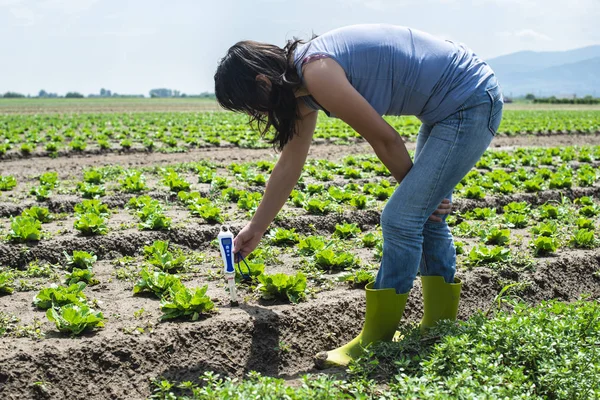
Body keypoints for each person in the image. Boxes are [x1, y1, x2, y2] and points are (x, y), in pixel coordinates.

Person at [214, 23, 503, 369]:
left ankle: (376, 339)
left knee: (401, 218)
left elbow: (386, 140)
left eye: (251, 107)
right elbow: (290, 161)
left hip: (469, 101)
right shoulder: (303, 88)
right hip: (449, 106)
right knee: (421, 214)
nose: (256, 115)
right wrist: (257, 227)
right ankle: (439, 329)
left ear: (262, 83)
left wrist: (417, 193)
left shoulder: (317, 71)